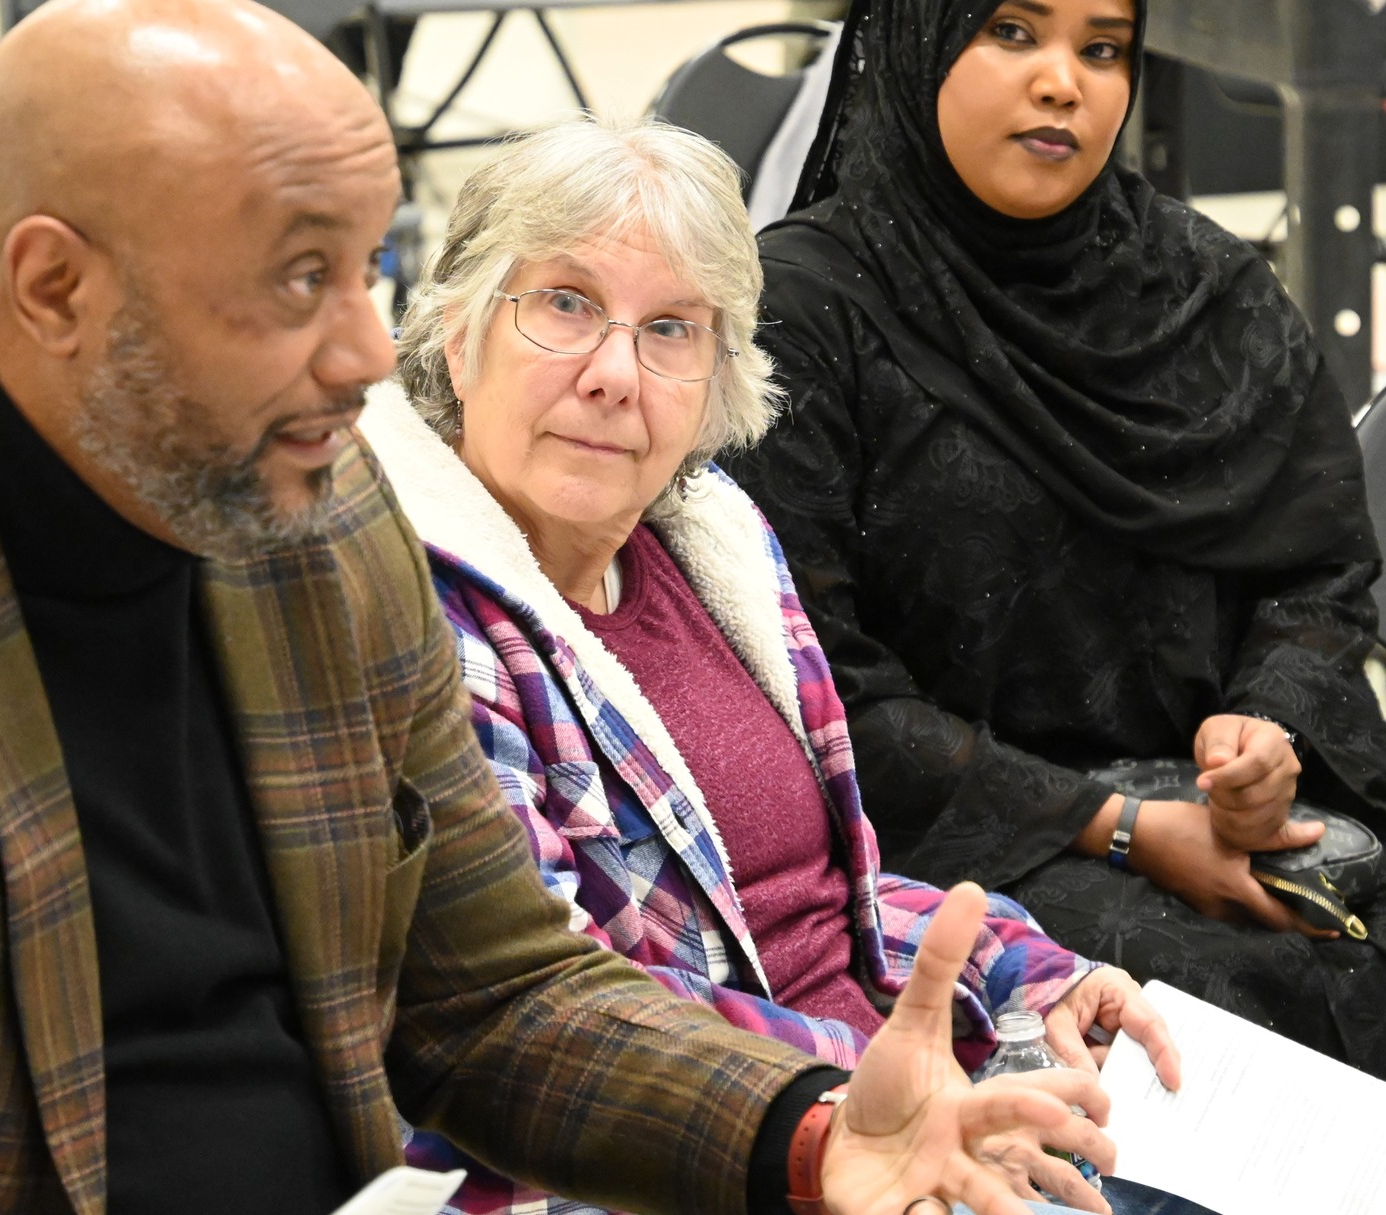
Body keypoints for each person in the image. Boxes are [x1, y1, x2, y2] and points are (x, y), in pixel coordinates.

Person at [0, 1, 1117, 1213]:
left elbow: (500, 998)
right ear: (56, 287)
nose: (362, 358)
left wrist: (812, 1134)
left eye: (369, 269)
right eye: (291, 281)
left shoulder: (316, 522)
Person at [721, 0, 1386, 1157]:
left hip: (1216, 806)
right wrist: (1121, 826)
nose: (1064, 82)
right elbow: (809, 685)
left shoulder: (1205, 292)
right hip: (956, 836)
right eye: (1012, 33)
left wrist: (1263, 735)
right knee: (1195, 1030)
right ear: (914, 40)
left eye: (1102, 48)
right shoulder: (806, 314)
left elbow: (1314, 574)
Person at [366, 117, 1191, 1215]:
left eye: (671, 328)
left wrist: (1026, 974)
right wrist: (874, 1099)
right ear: (458, 337)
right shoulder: (424, 624)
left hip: (877, 1116)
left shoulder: (712, 543)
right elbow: (547, 1019)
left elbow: (816, 906)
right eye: (564, 304)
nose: (616, 373)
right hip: (684, 1166)